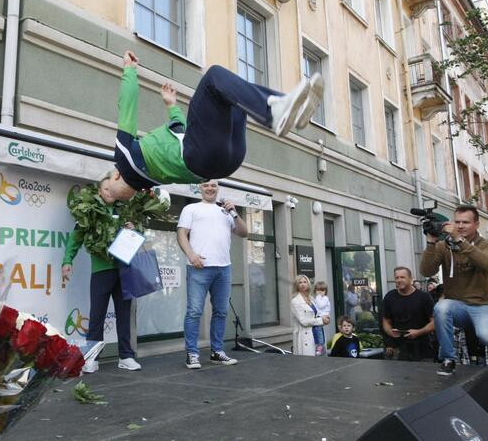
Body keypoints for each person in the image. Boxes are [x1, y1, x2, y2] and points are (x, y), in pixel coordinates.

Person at [101, 51, 324, 202]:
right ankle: (274, 112)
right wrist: (129, 70)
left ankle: (284, 105)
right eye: (111, 176)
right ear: (117, 176)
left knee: (233, 98)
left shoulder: (148, 180)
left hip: (226, 163)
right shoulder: (123, 157)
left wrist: (171, 106)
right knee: (214, 79)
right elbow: (126, 108)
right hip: (200, 155)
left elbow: (180, 130)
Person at [62, 175, 141, 372]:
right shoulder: (89, 211)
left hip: (124, 270)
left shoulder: (124, 211)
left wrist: (134, 229)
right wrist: (67, 261)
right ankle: (91, 358)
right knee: (97, 314)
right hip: (101, 270)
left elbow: (137, 239)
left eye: (112, 190)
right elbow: (76, 237)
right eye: (106, 189)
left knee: (124, 315)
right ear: (99, 192)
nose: (110, 192)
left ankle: (126, 356)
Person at [420, 205, 488, 376]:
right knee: (440, 308)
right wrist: (431, 243)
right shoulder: (444, 246)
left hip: (484, 305)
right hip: (457, 305)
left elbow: (487, 263)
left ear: (476, 224)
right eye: (457, 222)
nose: (460, 226)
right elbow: (426, 271)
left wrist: (459, 240)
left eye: (465, 222)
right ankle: (448, 359)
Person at [177, 180, 248, 369]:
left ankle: (217, 351)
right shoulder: (191, 208)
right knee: (194, 312)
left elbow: (244, 232)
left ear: (218, 189)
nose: (210, 188)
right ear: (200, 188)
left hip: (223, 269)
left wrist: (235, 213)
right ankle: (192, 354)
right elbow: (182, 234)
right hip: (199, 267)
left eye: (214, 186)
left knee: (221, 312)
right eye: (206, 185)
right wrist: (191, 255)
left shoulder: (225, 212)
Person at [382, 267, 435, 361]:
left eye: (402, 277)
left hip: (422, 347)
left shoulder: (424, 297)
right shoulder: (390, 297)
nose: (399, 280)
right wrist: (390, 332)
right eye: (396, 277)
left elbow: (434, 322)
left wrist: (418, 332)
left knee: (425, 375)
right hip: (399, 348)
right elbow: (386, 320)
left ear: (411, 279)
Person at [290, 275, 330, 356]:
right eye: (300, 282)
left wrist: (326, 318)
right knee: (309, 362)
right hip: (306, 336)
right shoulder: (295, 301)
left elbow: (317, 314)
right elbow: (304, 321)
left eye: (305, 282)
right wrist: (321, 320)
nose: (303, 284)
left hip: (317, 333)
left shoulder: (311, 298)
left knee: (320, 360)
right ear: (296, 285)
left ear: (308, 284)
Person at [312, 281, 331, 355]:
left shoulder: (324, 298)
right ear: (315, 291)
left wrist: (318, 297)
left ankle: (320, 346)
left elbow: (320, 305)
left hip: (322, 316)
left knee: (318, 331)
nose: (320, 292)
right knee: (317, 331)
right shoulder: (317, 298)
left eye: (322, 290)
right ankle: (320, 345)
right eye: (318, 290)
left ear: (325, 291)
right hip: (319, 317)